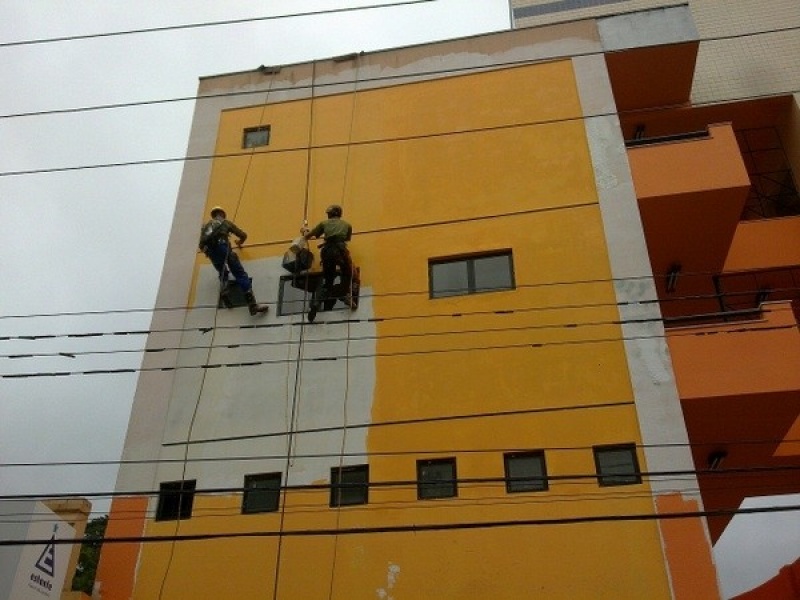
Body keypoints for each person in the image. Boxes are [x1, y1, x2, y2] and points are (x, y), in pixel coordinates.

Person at [198, 206, 268, 315]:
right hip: (223, 247)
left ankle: (224, 291)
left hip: (211, 253)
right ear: (221, 213)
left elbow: (201, 245)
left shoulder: (205, 227)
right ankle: (252, 306)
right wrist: (239, 242)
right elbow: (243, 235)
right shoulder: (225, 223)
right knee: (240, 274)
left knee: (223, 273)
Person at [302, 204, 355, 322]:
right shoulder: (347, 225)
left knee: (328, 281)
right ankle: (344, 294)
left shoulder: (324, 224)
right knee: (347, 273)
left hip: (327, 252)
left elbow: (309, 236)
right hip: (340, 251)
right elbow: (346, 239)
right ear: (339, 214)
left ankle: (316, 304)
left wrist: (305, 232)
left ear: (330, 214)